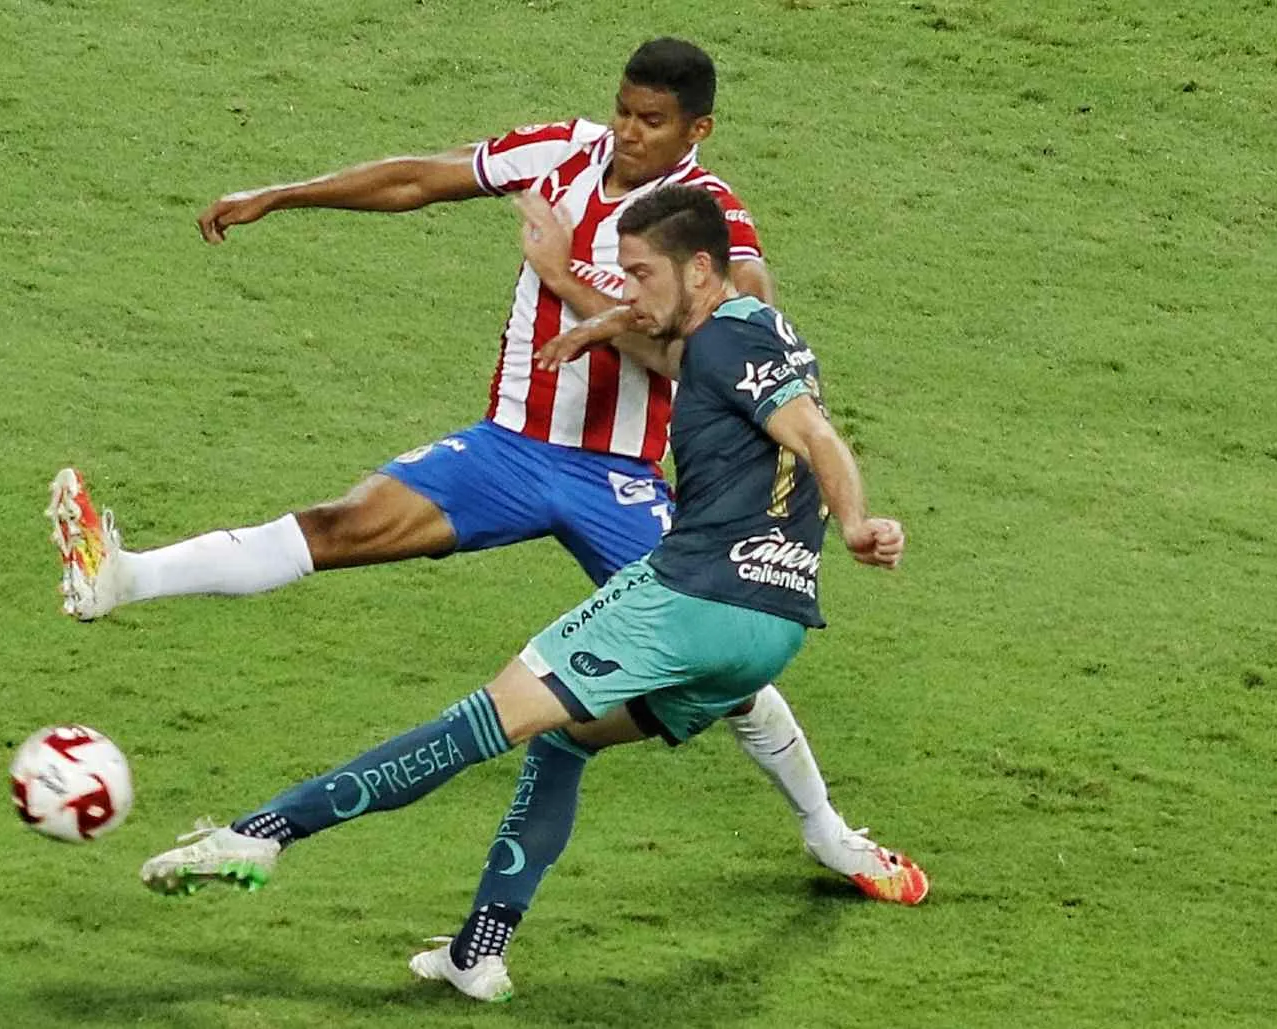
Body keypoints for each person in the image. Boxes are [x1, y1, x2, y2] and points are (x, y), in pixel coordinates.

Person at [47, 38, 902, 897]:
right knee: (343, 523)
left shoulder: (709, 218)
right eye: (623, 111)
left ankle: (828, 830)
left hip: (620, 477)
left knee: (723, 666)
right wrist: (282, 195)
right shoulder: (563, 152)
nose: (629, 133)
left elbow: (732, 330)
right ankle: (124, 577)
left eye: (652, 121)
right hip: (508, 447)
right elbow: (422, 177)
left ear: (697, 128)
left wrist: (564, 276)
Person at [137, 186, 926, 1003]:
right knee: (566, 740)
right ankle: (477, 953)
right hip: (769, 630)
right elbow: (706, 369)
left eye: (641, 273)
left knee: (479, 722)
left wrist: (859, 521)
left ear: (699, 269)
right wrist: (603, 320)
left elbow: (815, 436)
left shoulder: (721, 346)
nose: (630, 289)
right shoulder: (761, 332)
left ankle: (260, 834)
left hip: (686, 598)